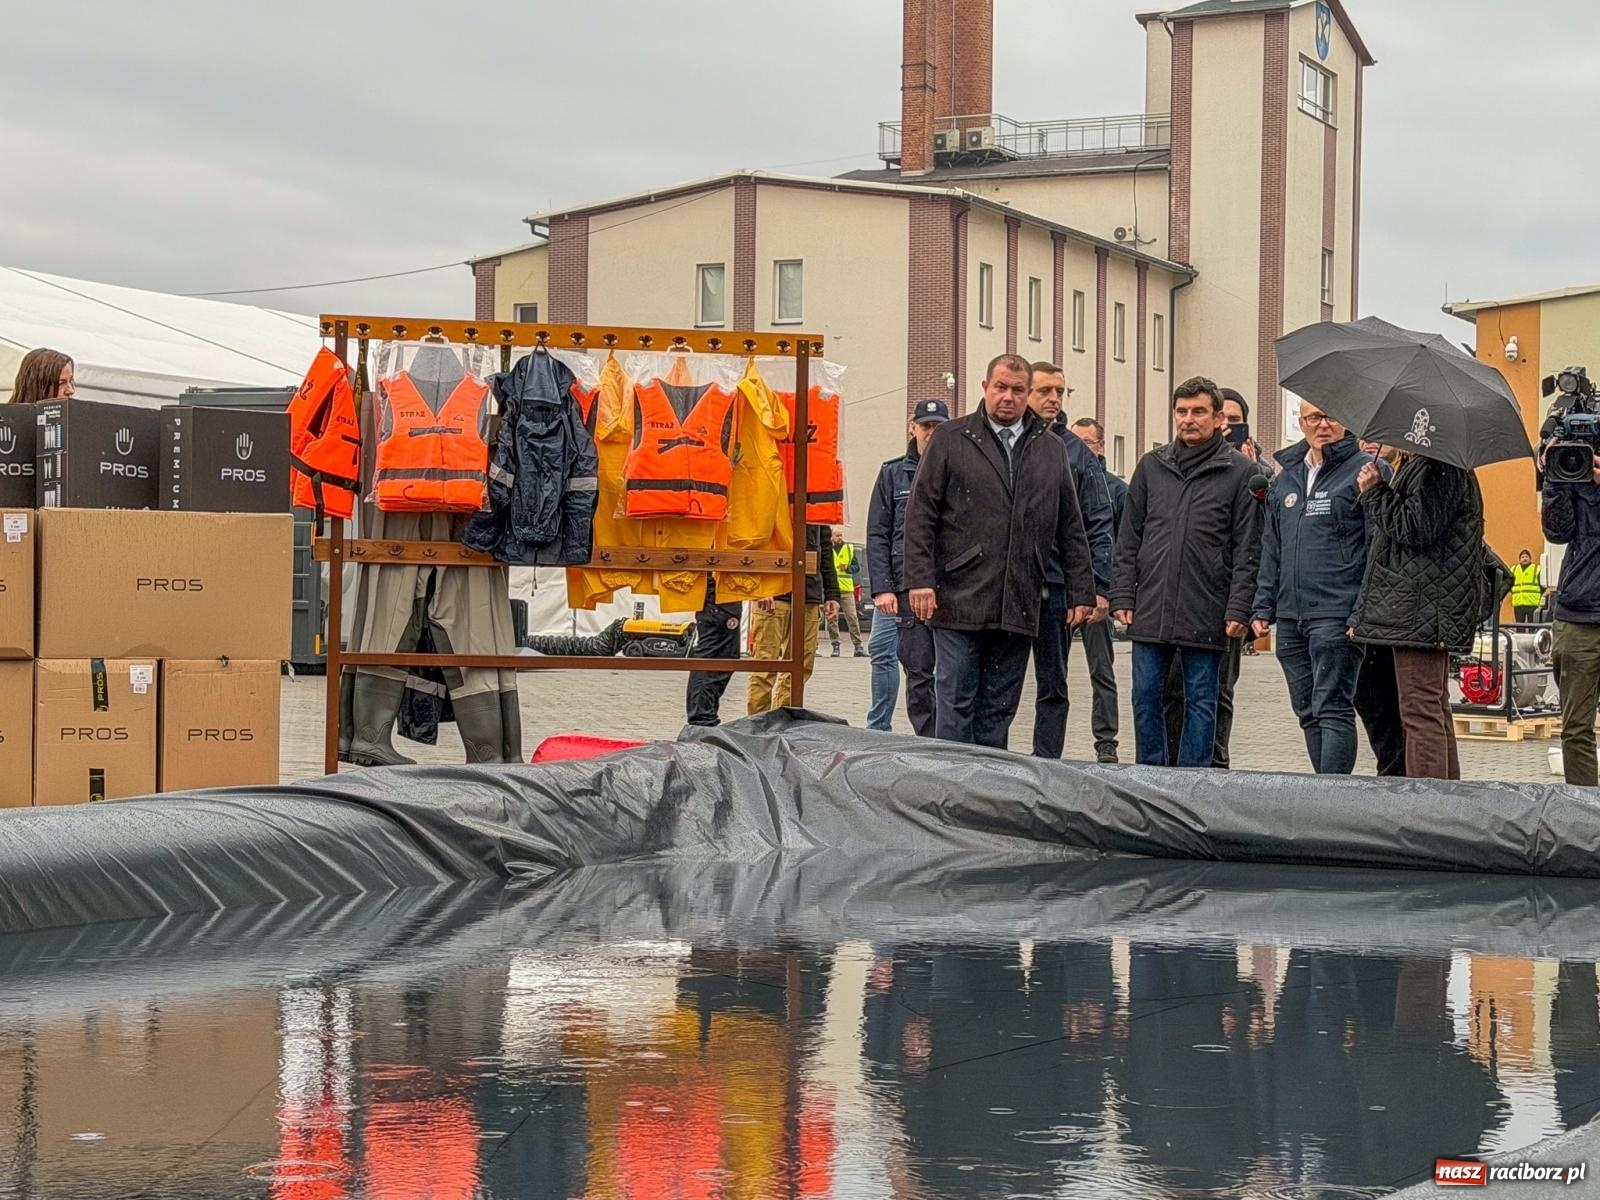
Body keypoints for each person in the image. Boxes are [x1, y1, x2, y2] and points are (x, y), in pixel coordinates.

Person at [903, 353, 1096, 748]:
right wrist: (920, 580)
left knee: (998, 708)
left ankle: (988, 793)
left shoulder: (1050, 448)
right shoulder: (951, 438)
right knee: (955, 703)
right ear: (985, 388)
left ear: (1027, 395)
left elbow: (1070, 526)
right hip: (957, 598)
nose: (1008, 397)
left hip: (1019, 598)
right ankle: (952, 794)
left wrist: (1081, 591)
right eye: (1000, 387)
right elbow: (920, 514)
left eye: (1017, 390)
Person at [1111, 376, 1264, 767]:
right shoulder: (1151, 466)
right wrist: (1123, 595)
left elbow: (1248, 548)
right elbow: (1129, 538)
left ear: (1217, 419)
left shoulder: (1240, 473)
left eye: (1199, 412)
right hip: (1151, 604)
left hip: (1207, 606)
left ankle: (1194, 781)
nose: (1189, 419)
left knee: (1202, 699)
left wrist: (1239, 608)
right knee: (1145, 695)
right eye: (1182, 411)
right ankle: (1150, 776)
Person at [1250, 402, 1378, 774]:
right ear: (1301, 422)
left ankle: (1333, 803)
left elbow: (1376, 550)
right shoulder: (1286, 477)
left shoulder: (1366, 471)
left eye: (1330, 415)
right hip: (1291, 616)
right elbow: (1271, 545)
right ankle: (1321, 795)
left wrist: (1361, 611)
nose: (1322, 424)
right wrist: (1263, 606)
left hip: (1337, 614)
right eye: (1313, 418)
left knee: (1333, 708)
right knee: (1306, 710)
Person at [1349, 452, 1485, 780]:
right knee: (1432, 707)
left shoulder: (1437, 465)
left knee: (1419, 711)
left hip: (1420, 610)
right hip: (1423, 608)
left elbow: (1416, 527)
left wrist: (1375, 491)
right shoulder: (1432, 465)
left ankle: (1428, 810)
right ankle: (1447, 803)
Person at [1024, 364, 1116, 760]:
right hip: (1009, 583)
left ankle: (1047, 764)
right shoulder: (1008, 441)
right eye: (1045, 390)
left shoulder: (1075, 451)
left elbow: (1098, 519)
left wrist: (1098, 586)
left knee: (1053, 684)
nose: (1054, 399)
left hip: (1058, 586)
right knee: (1000, 683)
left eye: (1060, 391)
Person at [865, 399, 948, 735]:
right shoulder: (893, 473)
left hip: (948, 588)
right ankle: (924, 737)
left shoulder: (956, 469)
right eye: (926, 425)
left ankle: (951, 738)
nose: (931, 432)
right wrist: (883, 587)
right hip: (902, 589)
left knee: (952, 671)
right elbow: (878, 533)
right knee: (916, 668)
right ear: (912, 427)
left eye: (938, 426)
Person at [1541, 449, 1600, 786]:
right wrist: (1556, 478)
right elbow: (1557, 532)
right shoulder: (1574, 467)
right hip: (1579, 615)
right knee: (1576, 728)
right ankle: (1584, 815)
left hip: (1579, 609)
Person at [1071, 416, 1127, 762]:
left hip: (1097, 594)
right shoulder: (1062, 481)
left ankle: (1106, 741)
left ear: (1101, 447)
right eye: (1074, 443)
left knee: (1101, 670)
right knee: (1050, 674)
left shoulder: (1117, 490)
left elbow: (1123, 544)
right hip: (1061, 592)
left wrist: (1111, 591)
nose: (1080, 451)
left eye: (1087, 443)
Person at [748, 523, 840, 714]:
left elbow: (824, 548)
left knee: (801, 667)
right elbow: (754, 541)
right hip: (772, 595)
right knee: (765, 666)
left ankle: (781, 720)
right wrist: (759, 587)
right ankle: (756, 725)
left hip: (808, 596)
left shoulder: (814, 503)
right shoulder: (773, 496)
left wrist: (832, 593)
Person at [685, 575, 743, 727]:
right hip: (721, 588)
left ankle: (703, 718)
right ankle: (702, 720)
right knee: (716, 654)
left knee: (723, 655)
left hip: (725, 588)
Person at [825, 528, 867, 657]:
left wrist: (848, 568)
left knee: (852, 617)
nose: (840, 537)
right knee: (832, 619)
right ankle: (835, 646)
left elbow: (856, 568)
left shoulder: (848, 549)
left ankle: (858, 646)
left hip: (847, 590)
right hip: (832, 590)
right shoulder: (827, 549)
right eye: (837, 535)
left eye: (841, 535)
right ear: (831, 536)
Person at [9, 348, 74, 404]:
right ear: (40, 387)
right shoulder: (7, 417)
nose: (71, 390)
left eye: (71, 381)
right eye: (61, 383)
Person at [1511, 549, 1544, 624]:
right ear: (1519, 559)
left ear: (1530, 559)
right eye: (1522, 557)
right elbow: (1510, 584)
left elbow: (1542, 586)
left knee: (1532, 626)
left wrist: (1537, 595)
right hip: (1518, 603)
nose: (1525, 558)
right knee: (1519, 627)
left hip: (1532, 603)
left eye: (1526, 557)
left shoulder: (1536, 569)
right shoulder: (1514, 569)